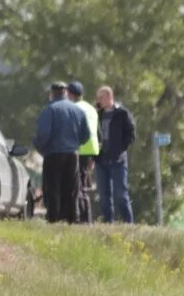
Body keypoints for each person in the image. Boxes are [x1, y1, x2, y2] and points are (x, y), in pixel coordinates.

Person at [33, 81, 90, 224]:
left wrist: (40, 147)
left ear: (52, 94)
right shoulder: (78, 111)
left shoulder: (49, 110)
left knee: (53, 186)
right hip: (72, 154)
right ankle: (72, 218)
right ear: (65, 92)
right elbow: (86, 135)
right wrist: (75, 144)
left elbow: (43, 134)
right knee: (71, 187)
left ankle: (54, 218)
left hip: (53, 153)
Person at [94, 85, 136, 223]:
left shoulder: (122, 113)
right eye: (98, 97)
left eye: (101, 97)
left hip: (118, 159)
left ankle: (128, 223)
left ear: (109, 97)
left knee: (120, 194)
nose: (99, 100)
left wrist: (120, 148)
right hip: (101, 159)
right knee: (104, 195)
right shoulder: (97, 114)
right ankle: (108, 222)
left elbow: (130, 134)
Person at [67, 81, 100, 224]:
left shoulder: (73, 108)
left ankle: (82, 217)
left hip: (78, 148)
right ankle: (86, 216)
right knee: (84, 183)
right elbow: (97, 131)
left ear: (69, 94)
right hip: (91, 149)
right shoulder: (91, 109)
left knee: (77, 184)